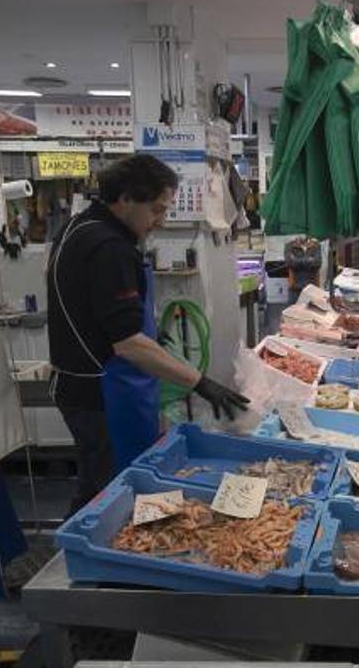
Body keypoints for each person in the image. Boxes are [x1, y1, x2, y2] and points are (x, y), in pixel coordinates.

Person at [47, 155, 249, 512]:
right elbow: (128, 344)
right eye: (156, 210)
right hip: (105, 391)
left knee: (97, 482)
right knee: (117, 495)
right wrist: (201, 382)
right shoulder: (109, 248)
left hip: (89, 386)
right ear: (125, 198)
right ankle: (102, 563)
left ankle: (81, 550)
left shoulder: (82, 225)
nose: (160, 221)